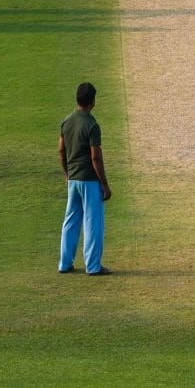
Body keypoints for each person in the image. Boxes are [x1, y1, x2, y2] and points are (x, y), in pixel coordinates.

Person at [58, 82, 112, 275]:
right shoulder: (92, 125)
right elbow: (95, 157)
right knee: (93, 222)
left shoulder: (67, 122)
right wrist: (105, 184)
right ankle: (94, 266)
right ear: (93, 102)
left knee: (71, 220)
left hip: (73, 179)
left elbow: (61, 150)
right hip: (89, 180)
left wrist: (67, 174)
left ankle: (65, 263)